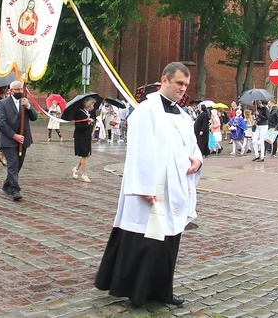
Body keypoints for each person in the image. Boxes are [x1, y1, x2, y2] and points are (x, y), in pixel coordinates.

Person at [95, 62, 202, 307]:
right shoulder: (147, 110)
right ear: (164, 80)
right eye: (179, 84)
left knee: (169, 241)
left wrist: (197, 160)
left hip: (175, 186)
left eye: (186, 85)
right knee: (146, 240)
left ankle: (163, 291)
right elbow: (139, 150)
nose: (183, 89)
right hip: (151, 188)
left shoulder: (183, 114)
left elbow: (191, 146)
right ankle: (138, 292)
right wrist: (145, 187)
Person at [0, 81, 38, 200]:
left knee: (18, 164)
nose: (20, 92)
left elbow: (34, 118)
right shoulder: (2, 103)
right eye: (17, 90)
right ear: (11, 91)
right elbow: (1, 122)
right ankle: (15, 190)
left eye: (21, 89)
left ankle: (7, 184)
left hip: (23, 139)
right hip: (9, 140)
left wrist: (29, 106)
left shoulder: (24, 102)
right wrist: (14, 135)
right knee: (13, 164)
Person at [72, 96, 96, 183]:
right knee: (84, 155)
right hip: (81, 137)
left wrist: (91, 123)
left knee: (86, 154)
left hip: (86, 136)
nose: (93, 106)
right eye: (92, 104)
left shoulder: (87, 112)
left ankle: (76, 168)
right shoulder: (80, 112)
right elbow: (78, 126)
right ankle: (84, 174)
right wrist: (88, 123)